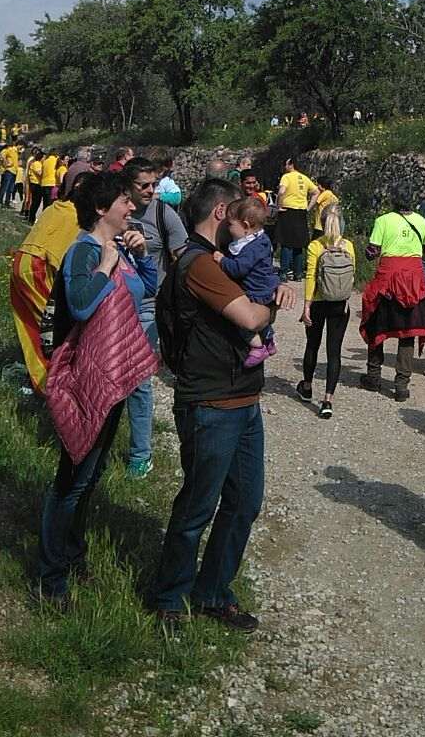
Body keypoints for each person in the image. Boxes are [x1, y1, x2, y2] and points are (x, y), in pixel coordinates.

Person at [151, 179, 298, 630]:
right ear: (220, 212)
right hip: (211, 402)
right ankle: (169, 600)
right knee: (198, 505)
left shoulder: (214, 262)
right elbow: (251, 316)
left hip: (241, 397)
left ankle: (212, 591)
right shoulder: (201, 266)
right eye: (236, 209)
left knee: (243, 503)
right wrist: (274, 304)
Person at [37, 173, 157, 602]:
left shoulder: (118, 247)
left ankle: (71, 553)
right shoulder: (83, 252)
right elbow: (84, 303)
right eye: (125, 201)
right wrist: (106, 266)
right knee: (71, 481)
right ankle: (50, 577)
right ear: (103, 210)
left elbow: (147, 291)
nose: (132, 207)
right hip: (84, 383)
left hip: (112, 380)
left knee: (90, 478)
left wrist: (140, 259)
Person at [122, 159, 186, 478]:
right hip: (113, 305)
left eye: (154, 184)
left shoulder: (164, 214)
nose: (151, 190)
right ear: (128, 186)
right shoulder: (114, 211)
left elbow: (183, 259)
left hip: (149, 305)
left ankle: (140, 453)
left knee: (137, 379)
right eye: (144, 185)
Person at [359, 200, 425, 401]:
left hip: (388, 281)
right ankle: (401, 386)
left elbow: (372, 251)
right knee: (408, 331)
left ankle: (373, 377)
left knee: (377, 325)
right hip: (413, 281)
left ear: (394, 202)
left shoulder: (383, 220)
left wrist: (369, 253)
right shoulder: (420, 220)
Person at [9, 189, 81, 395]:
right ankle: (49, 385)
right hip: (36, 270)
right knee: (52, 327)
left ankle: (39, 378)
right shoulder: (73, 216)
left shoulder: (56, 207)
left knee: (31, 325)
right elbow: (60, 260)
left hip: (22, 264)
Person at [299, 203, 356, 417]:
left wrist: (306, 305)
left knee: (312, 345)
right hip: (340, 304)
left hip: (319, 302)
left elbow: (311, 276)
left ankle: (306, 386)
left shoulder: (316, 246)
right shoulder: (348, 246)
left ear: (322, 223)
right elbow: (352, 275)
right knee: (334, 352)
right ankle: (327, 400)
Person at [221, 195, 281, 366]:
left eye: (231, 224)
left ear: (246, 226)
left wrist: (221, 260)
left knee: (243, 321)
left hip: (255, 291)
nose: (227, 228)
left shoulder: (250, 248)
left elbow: (238, 268)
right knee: (264, 321)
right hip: (266, 287)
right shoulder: (262, 240)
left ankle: (258, 347)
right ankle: (268, 340)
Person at [276, 158, 318, 280]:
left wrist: (279, 205)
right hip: (301, 212)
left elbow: (282, 191)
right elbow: (315, 192)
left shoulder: (286, 177)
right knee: (299, 244)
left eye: (286, 163)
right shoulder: (304, 178)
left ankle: (284, 272)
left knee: (286, 243)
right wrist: (309, 207)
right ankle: (298, 273)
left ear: (291, 165)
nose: (285, 166)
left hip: (288, 210)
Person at [0, 139, 20, 209]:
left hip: (14, 171)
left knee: (10, 189)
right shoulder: (9, 149)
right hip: (8, 171)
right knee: (4, 187)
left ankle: (7, 202)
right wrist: (6, 163)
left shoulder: (16, 152)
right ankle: (0, 201)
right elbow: (1, 156)